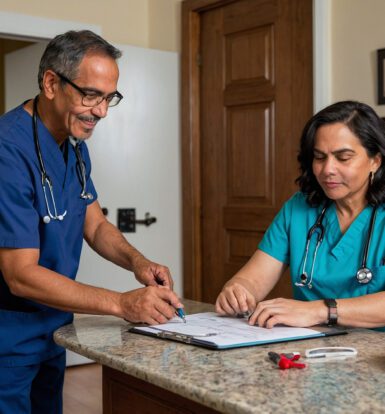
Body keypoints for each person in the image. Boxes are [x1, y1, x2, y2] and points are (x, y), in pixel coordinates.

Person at [0, 30, 183, 413]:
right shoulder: (7, 151)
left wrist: (139, 263)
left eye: (109, 98)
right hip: (8, 340)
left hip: (53, 333)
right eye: (91, 95)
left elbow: (95, 224)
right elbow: (20, 274)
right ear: (51, 83)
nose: (101, 110)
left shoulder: (74, 149)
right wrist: (121, 303)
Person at [216, 100, 385, 331]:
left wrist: (319, 311)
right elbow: (253, 279)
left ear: (375, 160)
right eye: (319, 157)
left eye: (343, 158)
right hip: (310, 349)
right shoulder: (298, 208)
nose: (327, 170)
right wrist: (237, 290)